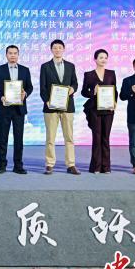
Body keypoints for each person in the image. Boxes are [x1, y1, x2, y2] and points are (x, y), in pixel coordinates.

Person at [0, 45, 33, 174]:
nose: (13, 55)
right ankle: (2, 165)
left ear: (18, 55)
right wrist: (1, 97)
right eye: (10, 53)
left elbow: (30, 87)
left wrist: (25, 93)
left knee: (18, 139)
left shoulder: (25, 70)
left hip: (19, 109)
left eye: (15, 53)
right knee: (2, 138)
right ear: (6, 55)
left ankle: (18, 165)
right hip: (4, 108)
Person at [39, 39, 79, 175]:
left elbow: (75, 83)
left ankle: (71, 164)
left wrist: (72, 89)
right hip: (51, 107)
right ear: (51, 50)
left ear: (64, 49)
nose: (57, 50)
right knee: (50, 138)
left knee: (69, 137)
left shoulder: (70, 66)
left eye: (60, 47)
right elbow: (43, 87)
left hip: (67, 106)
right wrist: (46, 101)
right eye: (55, 48)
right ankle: (49, 164)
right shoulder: (45, 66)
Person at [81, 49, 117, 174]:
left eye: (105, 57)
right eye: (101, 57)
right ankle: (96, 166)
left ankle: (106, 167)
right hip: (94, 110)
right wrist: (93, 92)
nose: (103, 60)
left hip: (108, 109)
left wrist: (115, 102)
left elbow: (115, 90)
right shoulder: (89, 74)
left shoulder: (111, 73)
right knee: (96, 137)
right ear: (95, 59)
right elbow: (84, 92)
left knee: (106, 137)